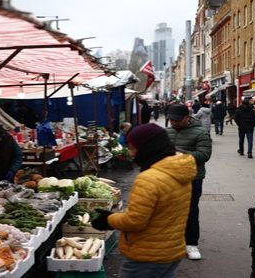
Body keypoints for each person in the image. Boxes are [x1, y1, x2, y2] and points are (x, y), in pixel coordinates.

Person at [91, 123, 196, 278]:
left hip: (147, 256)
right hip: (172, 250)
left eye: (133, 148)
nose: (131, 154)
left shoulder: (149, 179)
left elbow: (135, 221)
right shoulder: (180, 171)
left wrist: (108, 219)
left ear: (148, 148)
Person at [166, 104, 212, 260]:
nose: (174, 123)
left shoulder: (200, 133)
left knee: (190, 210)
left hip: (192, 178)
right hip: (170, 178)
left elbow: (203, 155)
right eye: (171, 120)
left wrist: (178, 152)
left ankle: (191, 243)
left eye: (177, 120)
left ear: (188, 117)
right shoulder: (167, 132)